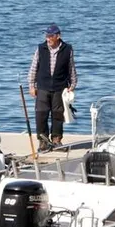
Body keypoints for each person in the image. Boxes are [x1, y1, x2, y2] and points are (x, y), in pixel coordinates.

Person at [27, 23, 77, 151]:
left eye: (50, 36)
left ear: (58, 36)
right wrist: (32, 85)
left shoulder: (67, 49)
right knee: (41, 114)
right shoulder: (41, 48)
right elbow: (33, 68)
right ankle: (43, 141)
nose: (48, 38)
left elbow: (71, 67)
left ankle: (56, 140)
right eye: (46, 35)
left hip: (60, 87)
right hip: (42, 87)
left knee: (58, 115)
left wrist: (73, 84)